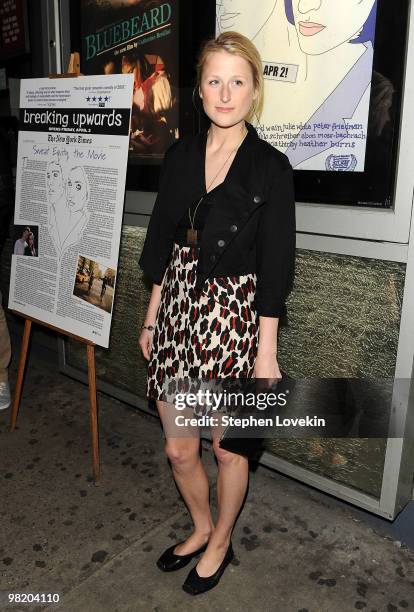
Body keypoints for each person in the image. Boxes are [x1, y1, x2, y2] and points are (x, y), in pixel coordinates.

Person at [138, 31, 296, 595]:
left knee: (228, 447)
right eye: (213, 81)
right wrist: (153, 315)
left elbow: (276, 267)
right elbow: (162, 239)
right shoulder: (180, 153)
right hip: (179, 305)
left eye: (237, 81)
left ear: (254, 92)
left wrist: (267, 351)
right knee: (180, 446)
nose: (224, 93)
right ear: (199, 90)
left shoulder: (271, 169)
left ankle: (223, 539)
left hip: (235, 315)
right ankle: (201, 525)